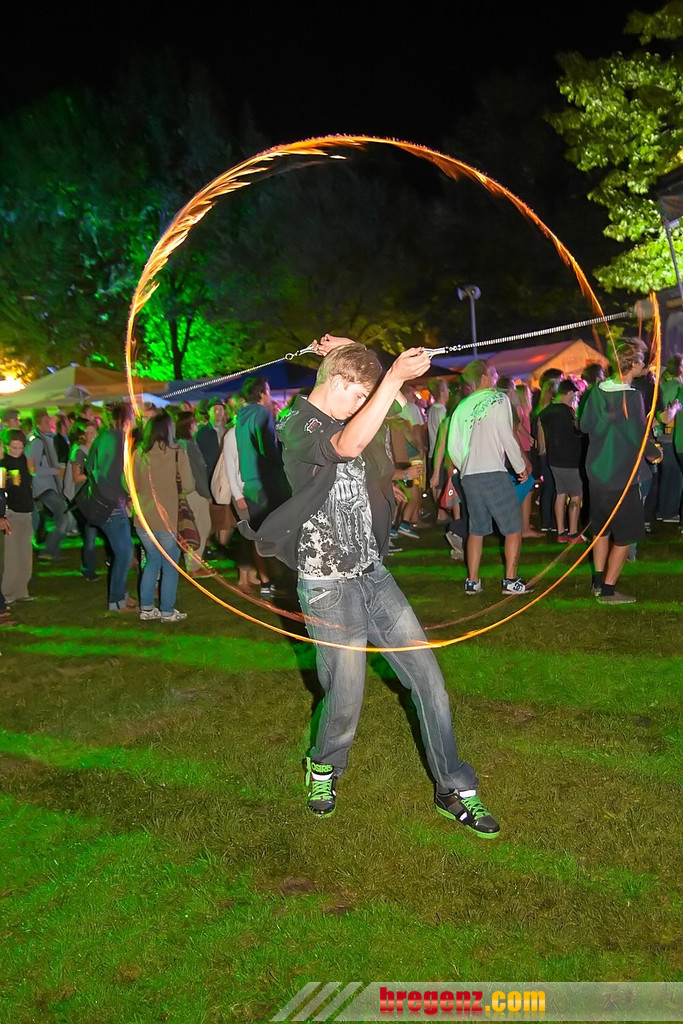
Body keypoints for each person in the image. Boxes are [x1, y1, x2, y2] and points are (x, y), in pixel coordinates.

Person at [241, 337, 499, 838]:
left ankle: (452, 787)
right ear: (336, 382)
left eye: (366, 396)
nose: (364, 404)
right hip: (327, 584)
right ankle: (324, 767)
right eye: (359, 394)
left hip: (373, 575)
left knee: (430, 682)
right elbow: (347, 446)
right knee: (346, 694)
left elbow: (375, 413)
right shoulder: (295, 421)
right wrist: (392, 375)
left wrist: (360, 351)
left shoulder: (347, 407)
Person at [579, 338, 661, 604]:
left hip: (597, 475)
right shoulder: (632, 396)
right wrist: (654, 452)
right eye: (642, 361)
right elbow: (638, 436)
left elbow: (584, 426)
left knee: (601, 531)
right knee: (625, 536)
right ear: (633, 364)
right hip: (622, 477)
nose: (644, 366)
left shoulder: (596, 391)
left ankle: (597, 582)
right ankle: (608, 591)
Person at [447, 360, 533, 596]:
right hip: (493, 471)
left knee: (476, 529)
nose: (496, 377)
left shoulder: (462, 406)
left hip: (469, 475)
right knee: (513, 527)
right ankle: (511, 580)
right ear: (484, 377)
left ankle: (472, 581)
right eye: (493, 373)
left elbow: (453, 446)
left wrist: (465, 465)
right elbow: (507, 435)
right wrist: (519, 466)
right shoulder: (498, 399)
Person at [133, 410, 193, 622]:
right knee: (170, 565)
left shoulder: (139, 454)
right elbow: (189, 485)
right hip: (168, 519)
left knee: (152, 560)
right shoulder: (178, 453)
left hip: (144, 520)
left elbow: (129, 484)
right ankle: (167, 610)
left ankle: (147, 608)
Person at [87, 402, 138, 613]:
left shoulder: (103, 437)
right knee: (124, 554)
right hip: (113, 505)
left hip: (103, 502)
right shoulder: (119, 440)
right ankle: (116, 602)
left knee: (124, 550)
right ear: (126, 419)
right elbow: (116, 474)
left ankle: (122, 596)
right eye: (132, 416)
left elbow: (89, 466)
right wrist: (128, 495)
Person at [539, 379, 585, 542]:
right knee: (576, 495)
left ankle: (561, 532)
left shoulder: (546, 412)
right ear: (570, 393)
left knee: (560, 494)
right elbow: (578, 431)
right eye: (574, 395)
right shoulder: (567, 412)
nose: (574, 399)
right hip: (570, 460)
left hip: (554, 459)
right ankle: (573, 532)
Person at [27, 409, 68, 562]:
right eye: (46, 422)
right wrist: (55, 470)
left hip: (50, 486)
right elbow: (33, 469)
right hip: (44, 488)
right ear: (38, 425)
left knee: (64, 517)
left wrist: (58, 469)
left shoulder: (47, 440)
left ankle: (52, 551)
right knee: (63, 516)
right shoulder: (38, 442)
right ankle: (48, 550)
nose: (49, 424)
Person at [0, 430, 34, 605]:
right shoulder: (3, 465)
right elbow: (1, 490)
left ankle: (22, 590)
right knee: (11, 555)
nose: (17, 451)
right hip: (12, 513)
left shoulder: (22, 460)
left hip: (25, 511)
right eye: (14, 448)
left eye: (20, 448)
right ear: (7, 446)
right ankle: (8, 592)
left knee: (25, 553)